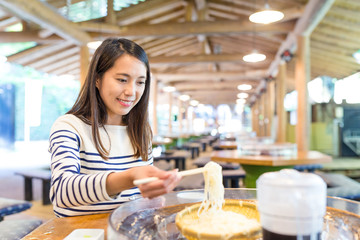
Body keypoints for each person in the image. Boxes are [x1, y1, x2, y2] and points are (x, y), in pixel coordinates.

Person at [48, 38, 181, 217]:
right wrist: (129, 177)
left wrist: (155, 194)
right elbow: (62, 192)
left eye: (140, 82)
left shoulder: (141, 131)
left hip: (127, 231)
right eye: (122, 79)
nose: (131, 92)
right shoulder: (69, 126)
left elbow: (141, 197)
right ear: (97, 79)